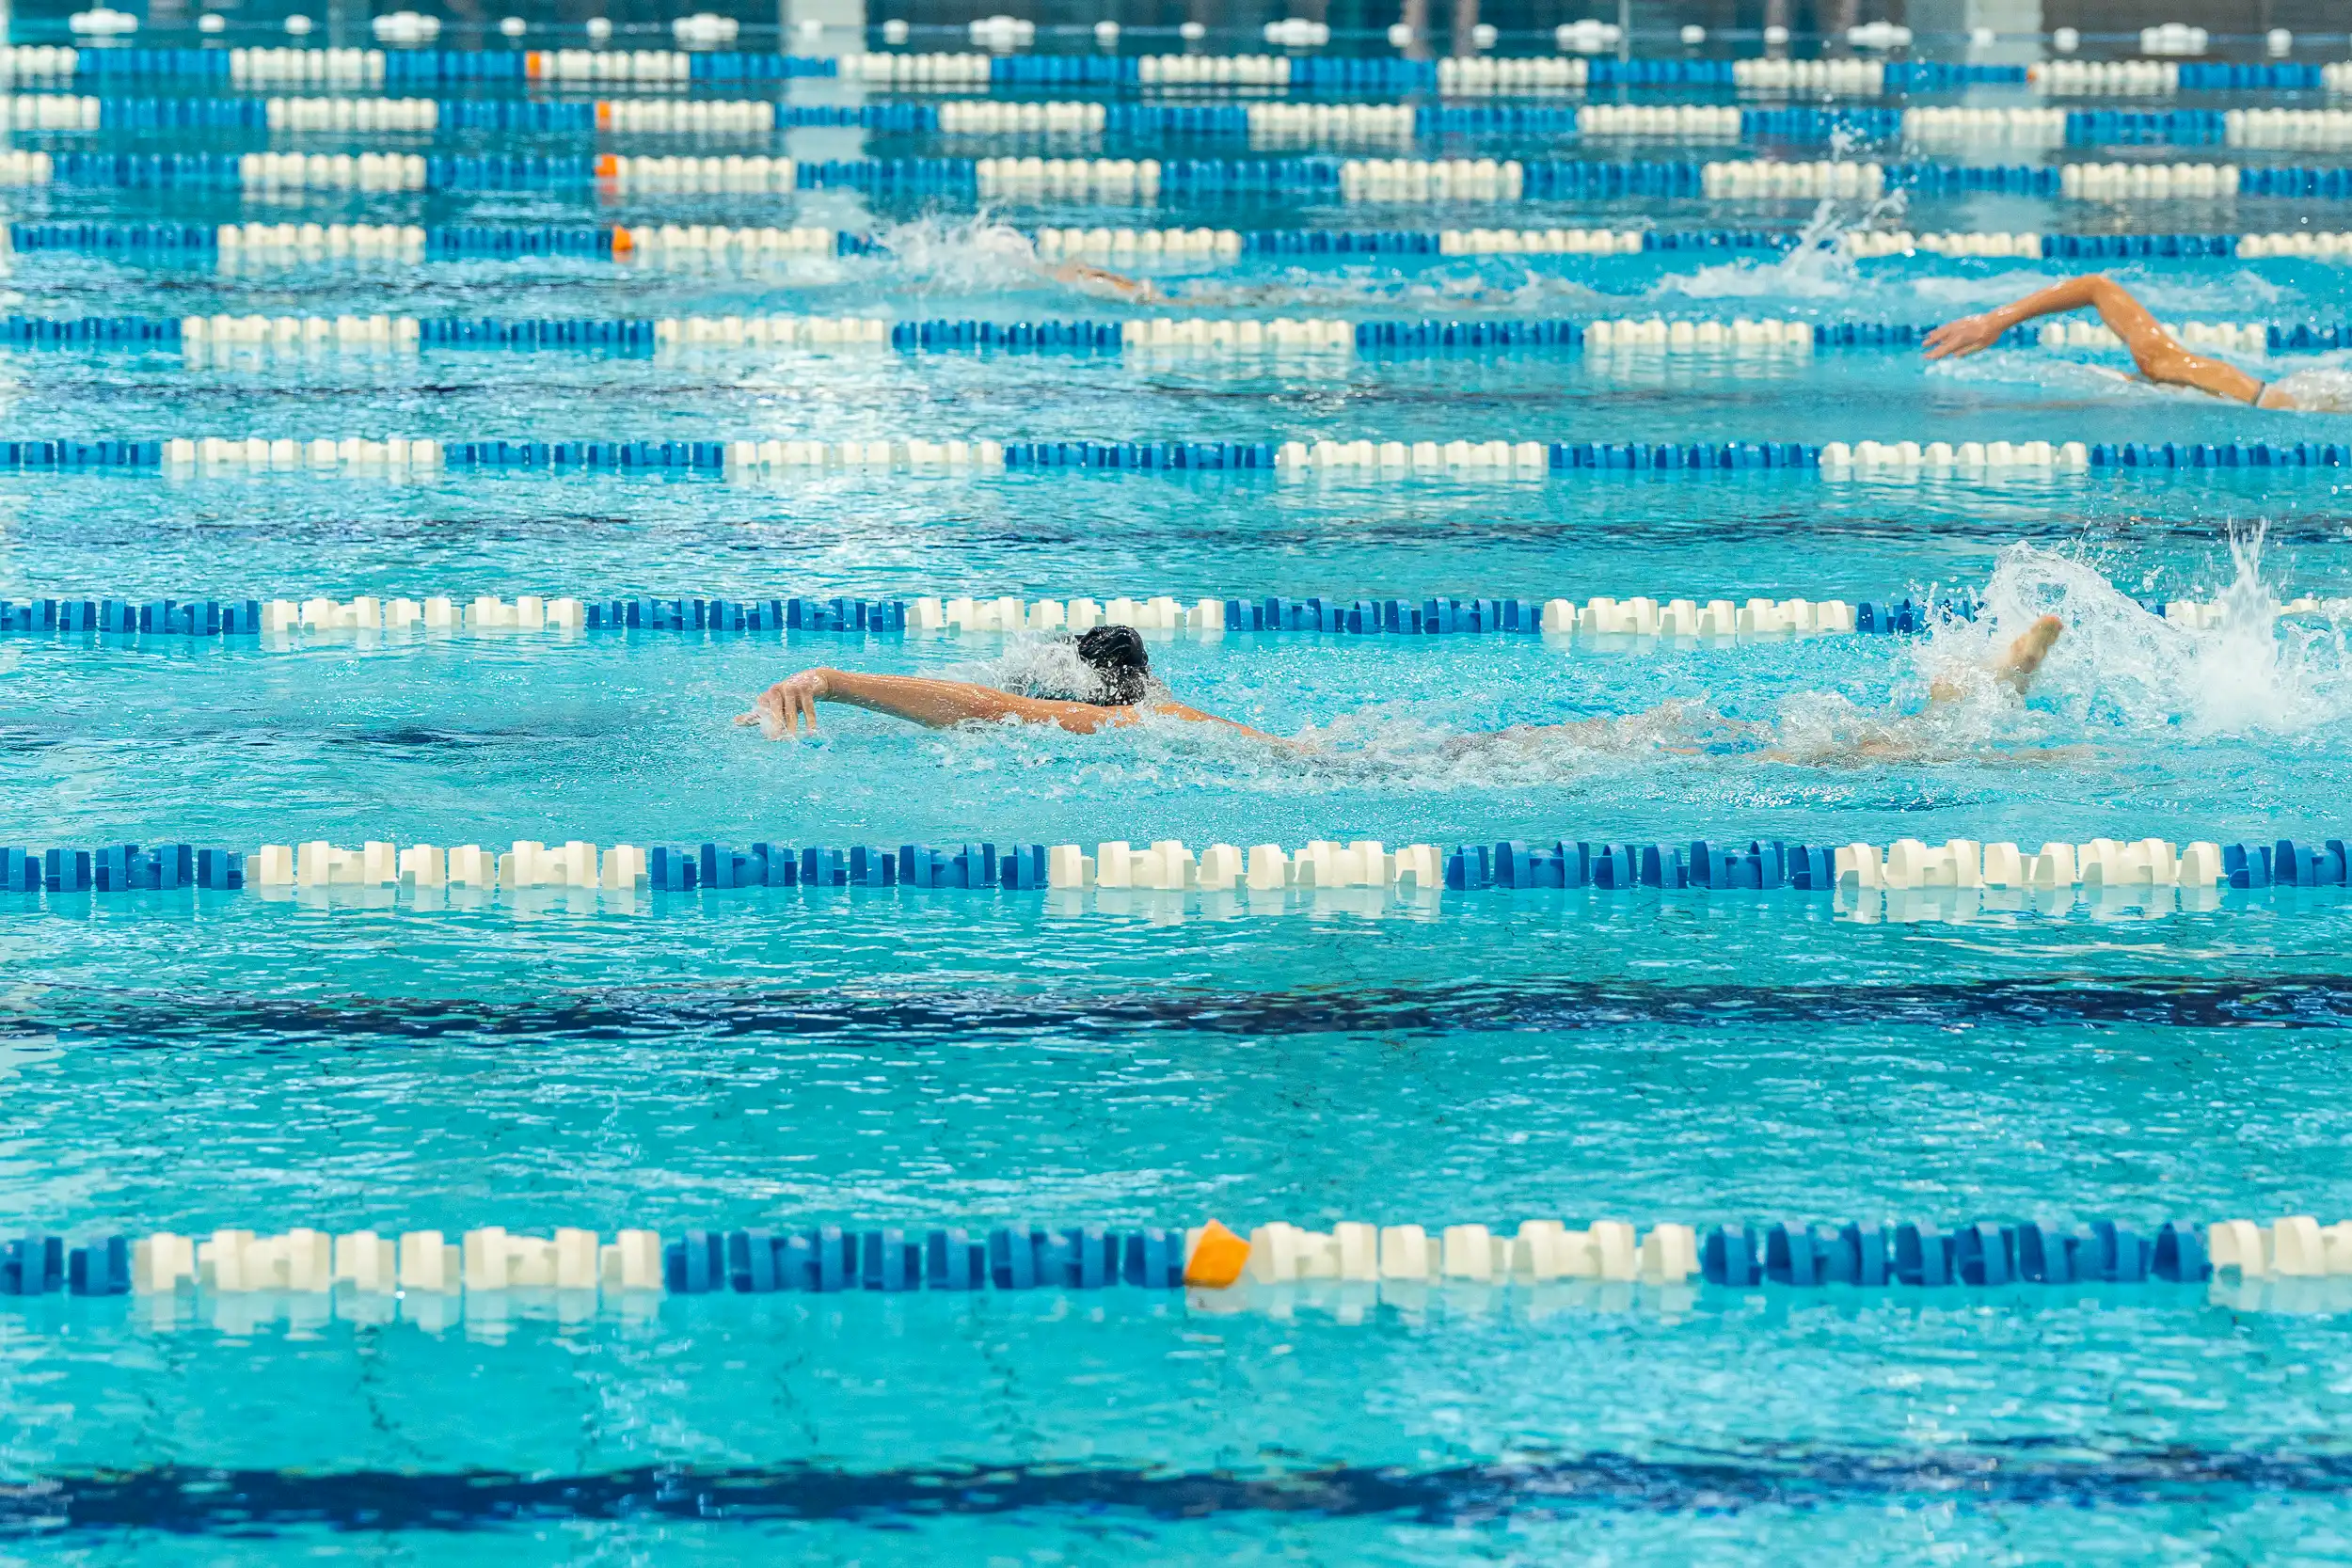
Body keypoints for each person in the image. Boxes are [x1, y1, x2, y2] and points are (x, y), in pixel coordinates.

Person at [739, 616, 2067, 759]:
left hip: (1377, 772)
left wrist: (835, 678)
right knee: (1688, 739)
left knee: (1749, 760)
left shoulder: (1120, 725)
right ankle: (1955, 706)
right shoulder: (1163, 713)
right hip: (1374, 756)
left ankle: (1957, 715)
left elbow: (976, 710)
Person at [1926, 274, 2323, 408]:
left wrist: (1996, 320)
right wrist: (1997, 320)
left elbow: (2098, 287)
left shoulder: (2170, 370)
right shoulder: (2173, 371)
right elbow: (2097, 286)